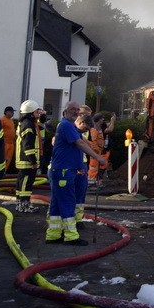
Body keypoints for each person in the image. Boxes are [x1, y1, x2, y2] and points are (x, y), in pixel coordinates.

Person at [45, 101, 107, 246]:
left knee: (56, 203)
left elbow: (81, 142)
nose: (75, 112)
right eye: (72, 109)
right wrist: (97, 157)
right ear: (65, 111)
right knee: (67, 202)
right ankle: (71, 236)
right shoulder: (67, 125)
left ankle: (53, 235)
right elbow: (79, 143)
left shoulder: (69, 126)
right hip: (63, 171)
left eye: (77, 110)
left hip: (64, 170)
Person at [14, 100, 43, 213]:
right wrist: (33, 161)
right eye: (37, 111)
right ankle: (25, 205)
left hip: (23, 159)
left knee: (21, 182)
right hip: (27, 161)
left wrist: (42, 115)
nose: (38, 113)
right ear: (31, 112)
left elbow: (41, 125)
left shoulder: (24, 122)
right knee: (26, 183)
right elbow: (28, 145)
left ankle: (20, 205)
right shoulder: (28, 124)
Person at [1, 105, 16, 173]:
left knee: (8, 159)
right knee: (3, 158)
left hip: (11, 143)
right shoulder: (2, 120)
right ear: (7, 112)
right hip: (4, 143)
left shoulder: (11, 121)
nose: (13, 113)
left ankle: (5, 171)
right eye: (12, 112)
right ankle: (0, 171)